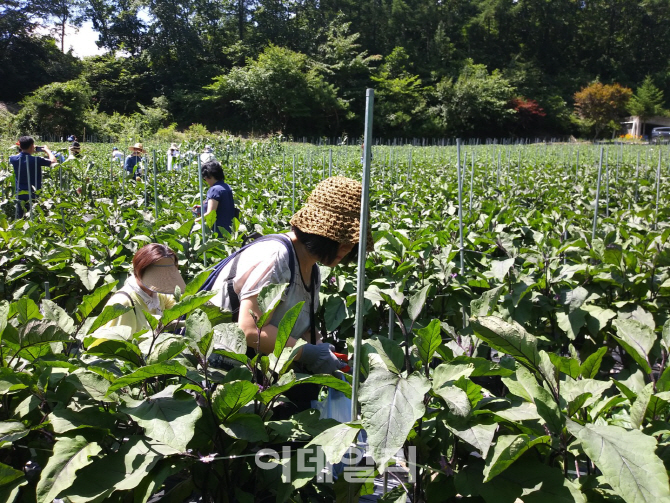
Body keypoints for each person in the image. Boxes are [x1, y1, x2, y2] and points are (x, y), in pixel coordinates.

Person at [210, 176, 373, 381]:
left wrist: (319, 346)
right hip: (222, 373)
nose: (348, 247)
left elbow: (297, 327)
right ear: (321, 232)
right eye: (341, 238)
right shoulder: (277, 257)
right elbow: (250, 331)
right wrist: (308, 353)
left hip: (256, 370)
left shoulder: (312, 268)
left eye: (353, 241)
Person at [102, 243, 186, 335]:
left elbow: (180, 307)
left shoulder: (157, 296)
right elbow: (109, 344)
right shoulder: (123, 303)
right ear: (140, 270)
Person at [9, 136, 57, 218]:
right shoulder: (36, 160)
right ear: (32, 146)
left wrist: (28, 151)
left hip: (19, 194)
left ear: (20, 146)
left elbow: (21, 155)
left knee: (20, 218)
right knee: (33, 218)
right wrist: (47, 151)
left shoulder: (13, 159)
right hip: (34, 194)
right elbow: (54, 162)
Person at [193, 161, 236, 237]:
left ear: (209, 176)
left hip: (217, 232)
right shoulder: (226, 186)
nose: (205, 180)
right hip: (228, 229)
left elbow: (210, 214)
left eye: (205, 178)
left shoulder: (214, 190)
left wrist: (194, 222)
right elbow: (222, 205)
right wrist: (203, 206)